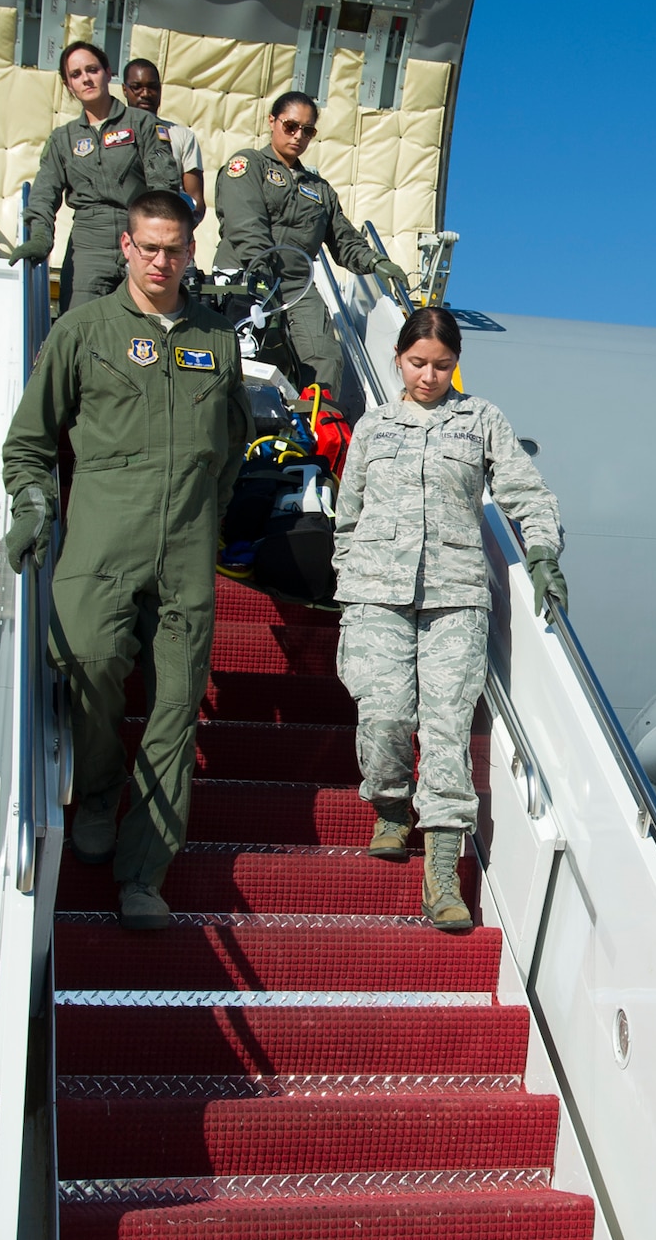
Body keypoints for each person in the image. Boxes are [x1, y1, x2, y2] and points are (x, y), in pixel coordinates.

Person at [2, 189, 254, 930]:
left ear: (191, 249)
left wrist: (204, 512)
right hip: (102, 538)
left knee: (176, 709)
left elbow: (233, 443)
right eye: (148, 246)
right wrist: (31, 502)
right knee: (87, 664)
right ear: (124, 247)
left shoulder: (218, 337)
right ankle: (101, 787)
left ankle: (143, 874)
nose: (161, 261)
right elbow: (29, 443)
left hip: (185, 547)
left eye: (174, 248)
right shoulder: (84, 331)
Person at [332, 306, 568, 932]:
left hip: (455, 595)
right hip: (376, 592)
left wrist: (543, 552)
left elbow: (528, 492)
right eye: (417, 363)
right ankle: (388, 805)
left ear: (456, 364)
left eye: (442, 365)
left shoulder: (480, 420)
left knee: (445, 730)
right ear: (398, 359)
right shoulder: (373, 427)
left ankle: (441, 877)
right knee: (383, 714)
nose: (429, 376)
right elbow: (347, 514)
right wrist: (346, 583)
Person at [214, 90, 409, 397]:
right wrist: (260, 274)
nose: (298, 136)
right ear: (272, 121)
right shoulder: (249, 165)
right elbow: (246, 224)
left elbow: (344, 240)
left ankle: (321, 428)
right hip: (246, 272)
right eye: (290, 126)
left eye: (308, 130)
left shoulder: (320, 190)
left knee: (325, 355)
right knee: (246, 351)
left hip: (296, 284)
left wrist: (375, 262)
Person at [12, 43, 180, 309]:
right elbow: (45, 194)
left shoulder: (143, 124)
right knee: (80, 328)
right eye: (76, 74)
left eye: (92, 69)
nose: (86, 78)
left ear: (107, 73)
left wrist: (158, 241)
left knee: (142, 329)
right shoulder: (62, 140)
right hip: (87, 245)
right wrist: (41, 237)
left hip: (139, 239)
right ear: (69, 86)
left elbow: (165, 186)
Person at [121, 58, 207, 222]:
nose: (145, 94)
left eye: (152, 87)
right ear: (125, 90)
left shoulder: (182, 135)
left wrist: (180, 232)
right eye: (137, 87)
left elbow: (196, 202)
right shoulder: (111, 134)